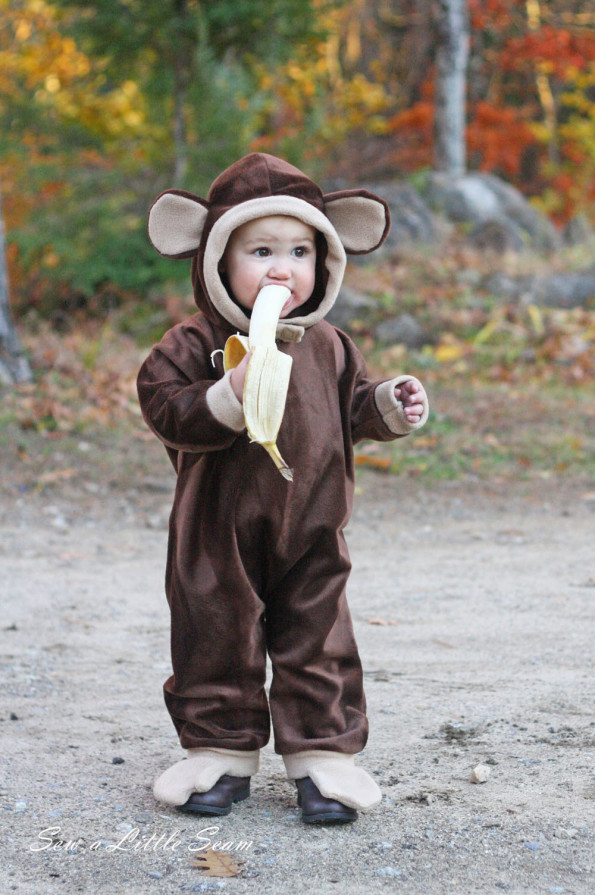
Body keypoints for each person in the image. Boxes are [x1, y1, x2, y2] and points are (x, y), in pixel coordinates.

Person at [137, 152, 429, 824]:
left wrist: (388, 404)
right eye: (260, 250)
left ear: (324, 260)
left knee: (318, 631)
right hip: (216, 531)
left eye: (300, 251)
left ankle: (323, 755)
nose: (281, 268)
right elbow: (164, 407)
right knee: (214, 629)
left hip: (313, 522)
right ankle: (218, 750)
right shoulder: (192, 343)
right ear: (214, 258)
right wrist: (224, 394)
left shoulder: (329, 345)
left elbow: (351, 406)